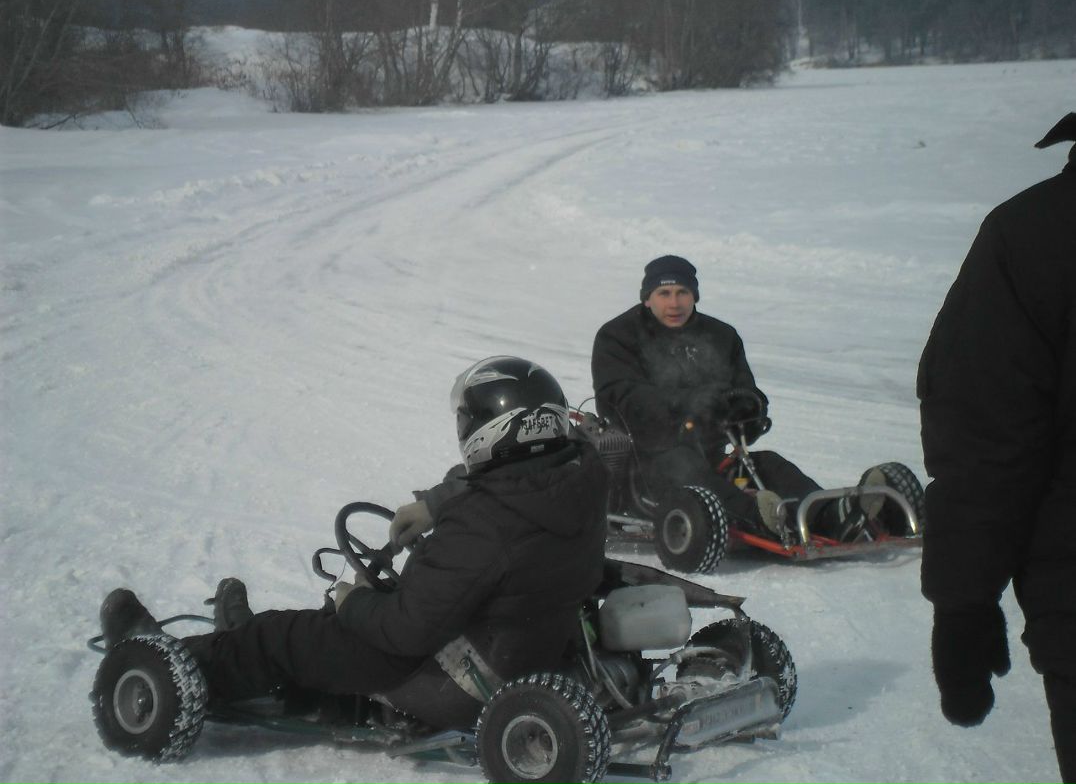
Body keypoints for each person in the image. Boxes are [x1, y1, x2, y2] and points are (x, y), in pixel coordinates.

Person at [99, 356, 609, 729]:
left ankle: (165, 669)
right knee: (325, 629)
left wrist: (353, 601)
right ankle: (240, 651)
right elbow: (511, 480)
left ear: (488, 431)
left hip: (440, 675)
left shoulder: (484, 525)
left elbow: (408, 630)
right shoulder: (580, 479)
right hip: (506, 647)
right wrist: (435, 505)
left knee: (282, 636)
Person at [917, 112, 1075, 783]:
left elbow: (986, 440)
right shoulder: (1033, 239)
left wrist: (964, 601)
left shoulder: (1032, 235)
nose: (674, 301)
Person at [591, 254, 880, 541]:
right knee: (685, 467)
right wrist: (686, 403)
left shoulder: (720, 336)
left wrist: (747, 409)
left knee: (769, 465)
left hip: (712, 453)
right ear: (647, 298)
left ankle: (832, 514)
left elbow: (746, 389)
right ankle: (761, 518)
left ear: (694, 296)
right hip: (647, 464)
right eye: (664, 293)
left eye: (683, 292)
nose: (674, 303)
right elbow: (621, 399)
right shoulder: (618, 337)